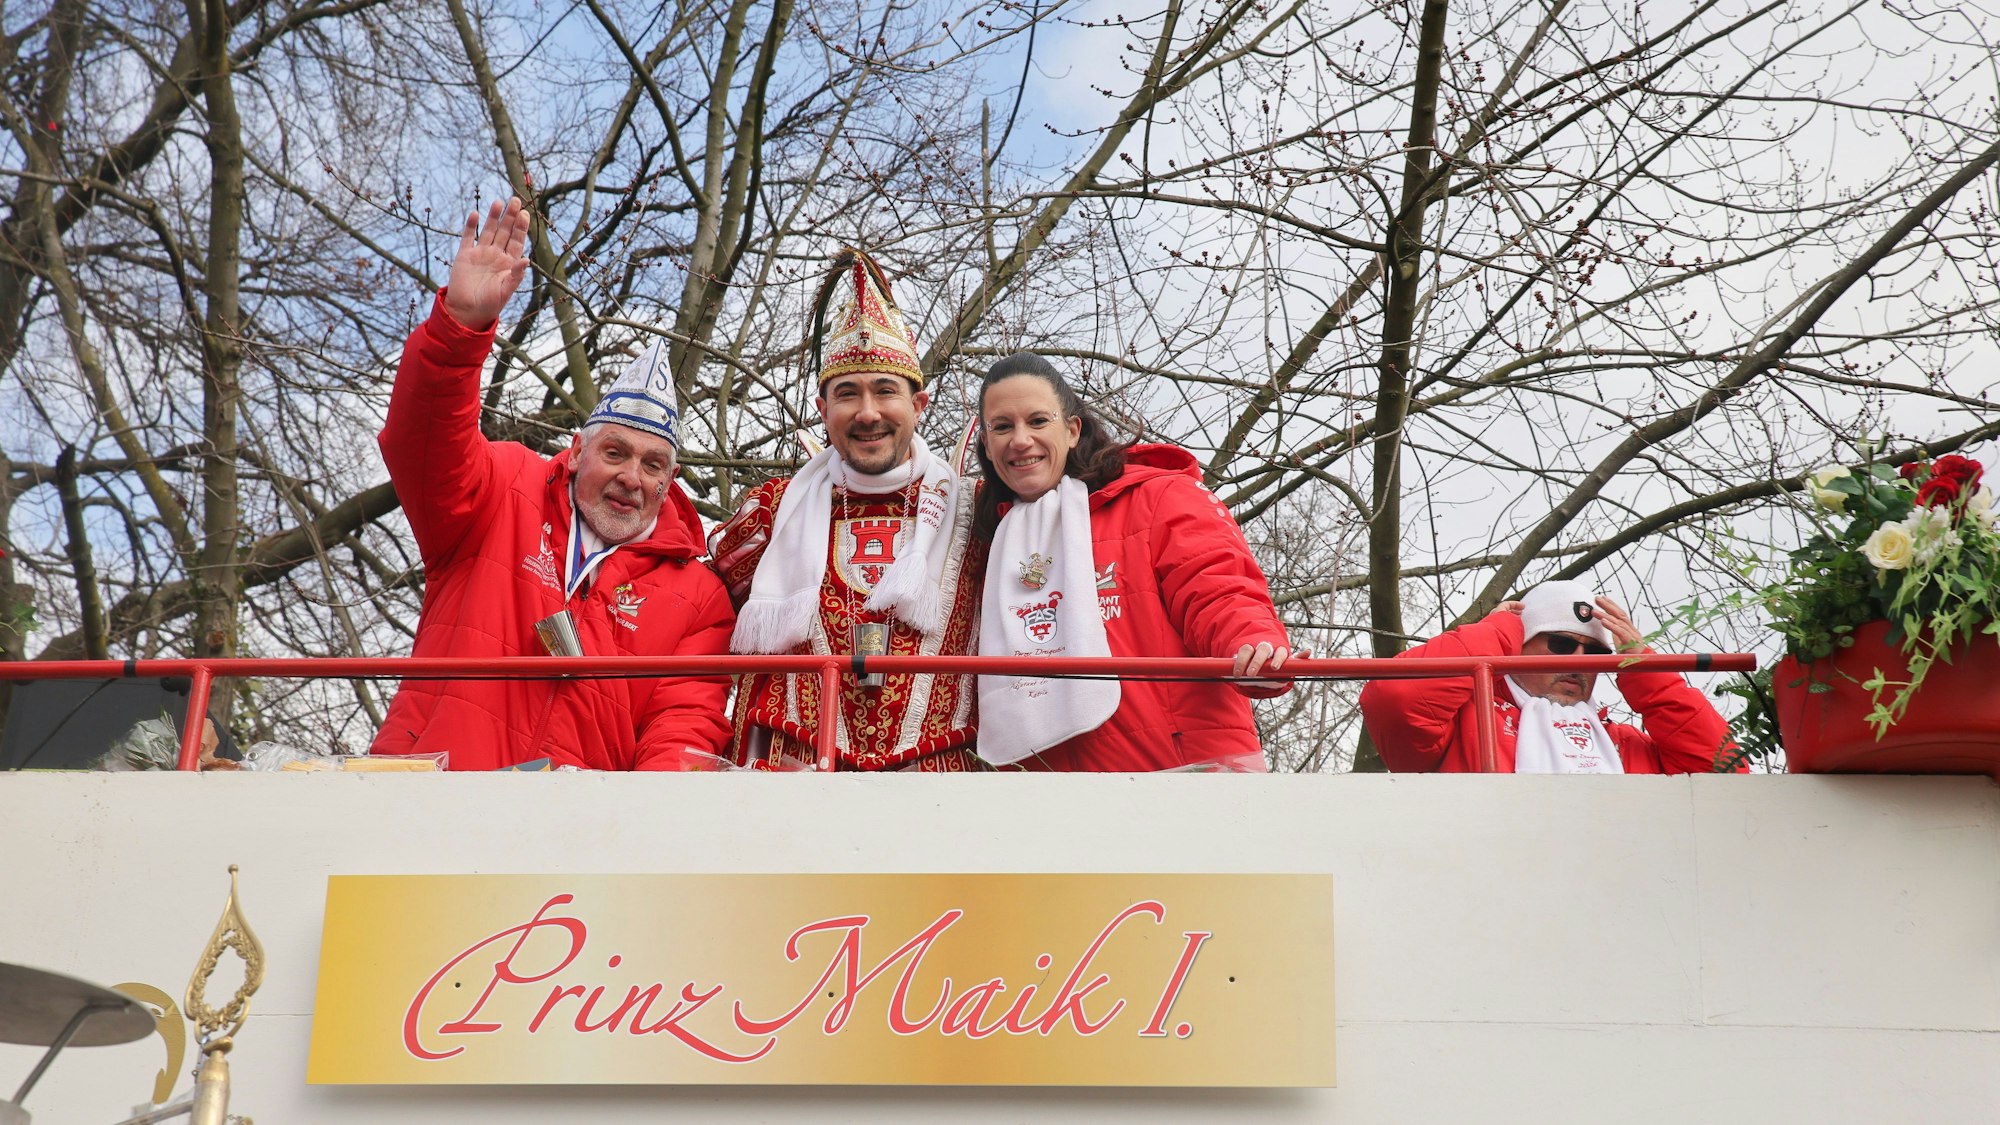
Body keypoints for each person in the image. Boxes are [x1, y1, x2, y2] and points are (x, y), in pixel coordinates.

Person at [371, 196, 735, 771]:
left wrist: (647, 819)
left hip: (575, 821)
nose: (631, 478)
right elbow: (423, 442)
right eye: (615, 452)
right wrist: (459, 328)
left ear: (671, 481)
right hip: (432, 792)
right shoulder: (504, 486)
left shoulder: (700, 597)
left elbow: (683, 725)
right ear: (578, 450)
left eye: (653, 465)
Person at [708, 250, 987, 771]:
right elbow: (695, 611)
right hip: (792, 778)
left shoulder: (978, 507)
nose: (867, 412)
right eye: (847, 394)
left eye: (885, 391)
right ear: (823, 410)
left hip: (941, 785)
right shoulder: (771, 511)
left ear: (918, 406)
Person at [971, 351, 1293, 771]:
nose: (1020, 440)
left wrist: (1254, 647)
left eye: (1037, 421)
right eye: (1002, 426)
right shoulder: (985, 537)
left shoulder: (1159, 496)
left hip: (1180, 772)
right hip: (1043, 787)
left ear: (1072, 430)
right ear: (987, 444)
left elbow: (1218, 589)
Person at [1359, 579, 1738, 773]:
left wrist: (1645, 669)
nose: (1580, 662)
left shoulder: (1624, 744)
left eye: (1596, 653)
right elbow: (1397, 699)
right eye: (1560, 643)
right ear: (1517, 647)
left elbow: (1724, 776)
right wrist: (1500, 630)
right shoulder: (1465, 725)